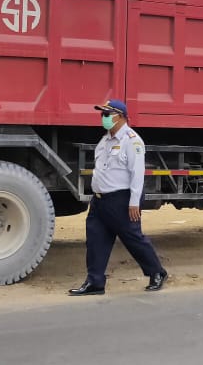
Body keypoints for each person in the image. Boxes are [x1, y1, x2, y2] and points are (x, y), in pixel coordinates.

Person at [69, 100, 167, 296]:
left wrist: (134, 202)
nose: (103, 118)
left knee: (133, 238)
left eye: (107, 114)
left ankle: (157, 272)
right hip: (100, 200)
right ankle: (95, 282)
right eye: (102, 114)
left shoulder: (132, 141)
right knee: (96, 239)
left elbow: (137, 174)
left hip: (121, 200)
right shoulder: (105, 140)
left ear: (120, 116)